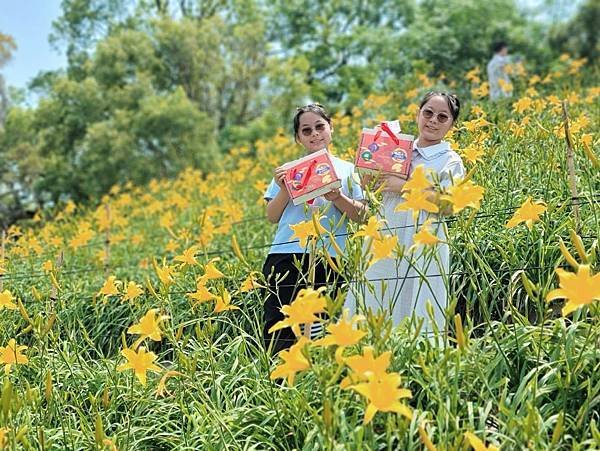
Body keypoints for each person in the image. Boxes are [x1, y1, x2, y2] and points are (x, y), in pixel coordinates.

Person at [346, 92, 465, 335]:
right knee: (372, 296)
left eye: (442, 117)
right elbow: (369, 186)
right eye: (428, 113)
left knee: (419, 301)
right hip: (385, 231)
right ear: (418, 114)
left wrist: (405, 186)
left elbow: (450, 205)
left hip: (425, 238)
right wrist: (371, 155)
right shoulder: (398, 149)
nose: (433, 120)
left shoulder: (450, 160)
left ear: (452, 125)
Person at [262, 103, 367, 354]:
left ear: (331, 128)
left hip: (329, 258)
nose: (315, 134)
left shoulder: (348, 170)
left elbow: (362, 216)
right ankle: (280, 383)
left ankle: (313, 382)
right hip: (285, 256)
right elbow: (272, 216)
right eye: (306, 130)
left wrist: (338, 197)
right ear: (298, 138)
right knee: (280, 326)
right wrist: (286, 188)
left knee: (321, 328)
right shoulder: (287, 171)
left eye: (320, 127)